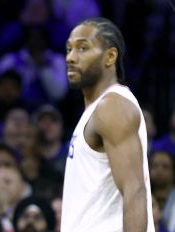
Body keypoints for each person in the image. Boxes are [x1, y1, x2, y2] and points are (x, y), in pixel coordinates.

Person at [62, 17, 154, 231]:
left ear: (110, 56)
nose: (71, 58)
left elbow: (135, 190)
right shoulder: (97, 109)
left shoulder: (112, 106)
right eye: (69, 49)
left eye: (83, 48)